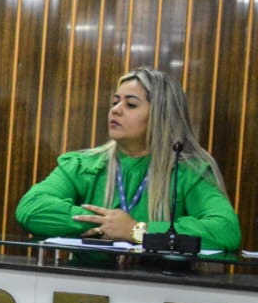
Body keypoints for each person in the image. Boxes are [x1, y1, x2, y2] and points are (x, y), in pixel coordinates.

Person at [15, 67, 241, 251]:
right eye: (115, 102)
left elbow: (225, 230)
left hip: (162, 286)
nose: (116, 110)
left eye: (130, 104)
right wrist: (108, 224)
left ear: (161, 116)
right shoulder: (84, 165)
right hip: (86, 283)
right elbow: (31, 209)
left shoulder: (188, 172)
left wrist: (137, 230)